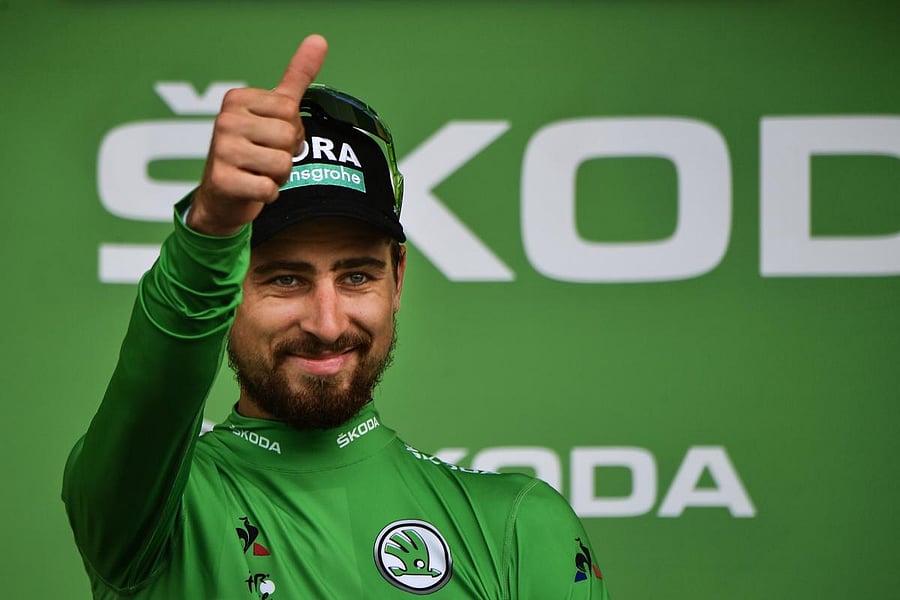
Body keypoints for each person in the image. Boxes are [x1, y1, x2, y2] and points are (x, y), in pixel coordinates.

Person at [62, 34, 610, 599]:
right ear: (227, 288)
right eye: (284, 279)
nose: (327, 324)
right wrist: (212, 229)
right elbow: (159, 380)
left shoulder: (517, 527)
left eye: (356, 277)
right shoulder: (147, 514)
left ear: (397, 278)